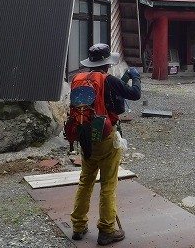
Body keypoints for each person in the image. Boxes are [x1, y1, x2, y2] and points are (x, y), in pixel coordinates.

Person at [71, 43, 141, 245]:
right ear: (107, 63)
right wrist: (134, 76)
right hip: (104, 136)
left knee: (86, 180)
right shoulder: (108, 80)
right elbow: (134, 94)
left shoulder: (77, 78)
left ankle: (78, 226)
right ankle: (107, 229)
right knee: (108, 184)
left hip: (84, 137)